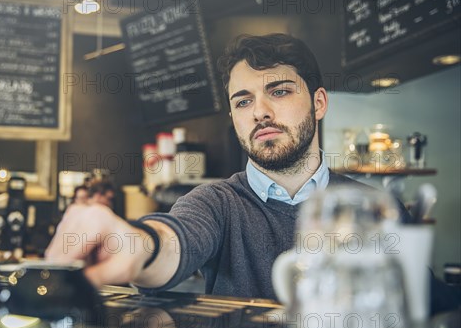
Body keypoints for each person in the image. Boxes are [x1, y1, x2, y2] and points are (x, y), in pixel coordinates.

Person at [45, 33, 408, 299]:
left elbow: (423, 311)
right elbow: (175, 239)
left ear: (319, 103)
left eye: (279, 91)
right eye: (243, 100)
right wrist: (137, 245)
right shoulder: (216, 204)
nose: (260, 111)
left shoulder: (377, 209)